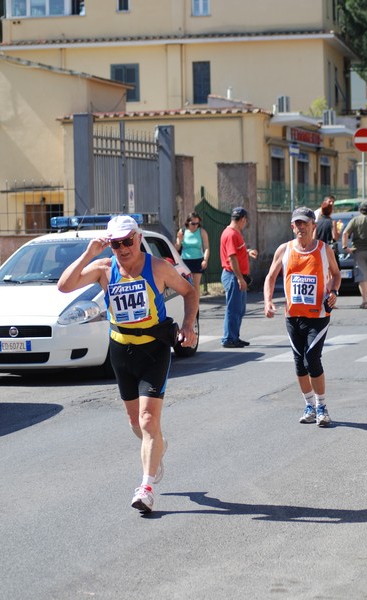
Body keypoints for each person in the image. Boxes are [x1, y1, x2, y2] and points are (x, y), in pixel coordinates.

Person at [58, 215, 198, 513]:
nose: (123, 249)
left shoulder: (158, 267)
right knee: (136, 423)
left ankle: (145, 487)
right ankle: (157, 445)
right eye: (116, 243)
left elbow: (189, 291)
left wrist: (188, 325)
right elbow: (64, 286)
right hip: (121, 350)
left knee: (148, 420)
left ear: (137, 238)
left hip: (154, 349)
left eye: (127, 241)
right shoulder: (105, 269)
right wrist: (89, 254)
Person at [264, 206, 341, 427]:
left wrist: (334, 292)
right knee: (299, 363)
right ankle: (309, 405)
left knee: (312, 359)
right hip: (292, 316)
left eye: (304, 223)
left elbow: (336, 275)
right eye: (297, 224)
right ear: (292, 226)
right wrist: (268, 301)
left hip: (319, 315)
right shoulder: (284, 249)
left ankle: (322, 406)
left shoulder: (324, 250)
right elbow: (270, 277)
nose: (301, 227)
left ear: (313, 226)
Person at [220, 206, 258, 348]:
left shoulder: (234, 233)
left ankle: (234, 337)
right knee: (233, 309)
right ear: (242, 219)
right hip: (233, 276)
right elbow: (232, 258)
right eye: (246, 221)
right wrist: (239, 278)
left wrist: (247, 251)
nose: (245, 224)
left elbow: (236, 251)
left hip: (235, 275)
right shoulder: (231, 234)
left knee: (239, 309)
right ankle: (229, 338)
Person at [175, 212, 210, 299]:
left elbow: (206, 248)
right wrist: (179, 240)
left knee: (196, 285)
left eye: (197, 223)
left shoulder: (202, 231)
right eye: (193, 223)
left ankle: (196, 306)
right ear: (188, 222)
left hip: (198, 260)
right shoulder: (182, 231)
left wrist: (205, 260)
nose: (195, 225)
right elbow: (177, 248)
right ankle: (185, 303)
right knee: (185, 284)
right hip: (184, 261)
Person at [314, 199, 341, 269]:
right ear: (331, 211)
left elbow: (313, 238)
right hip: (330, 251)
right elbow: (335, 237)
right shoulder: (332, 222)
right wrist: (338, 232)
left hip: (319, 250)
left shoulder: (316, 223)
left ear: (322, 211)